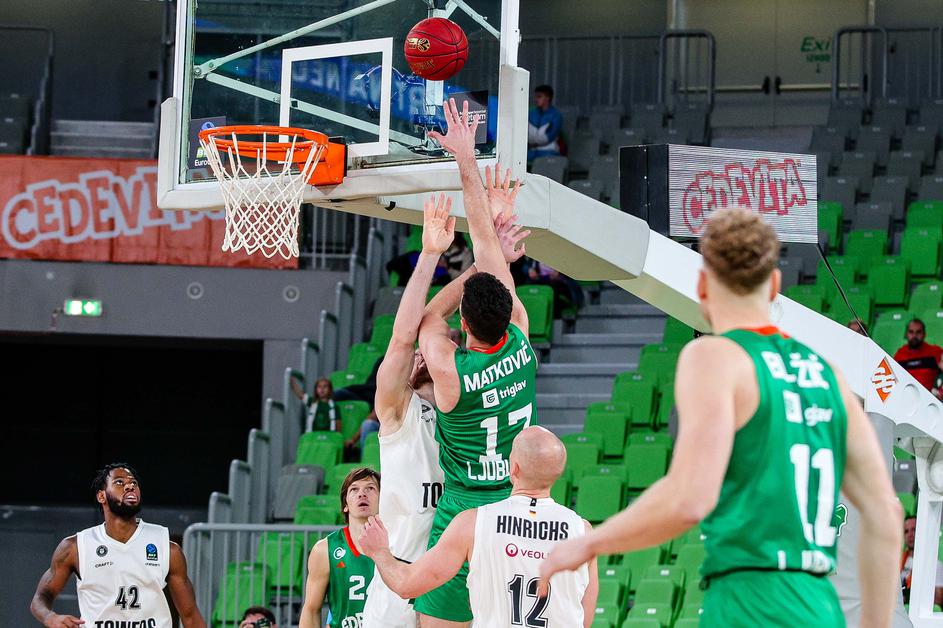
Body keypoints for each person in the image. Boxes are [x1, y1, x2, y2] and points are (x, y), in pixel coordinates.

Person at [539, 208, 903, 628]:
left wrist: (588, 545)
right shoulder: (830, 377)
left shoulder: (714, 356)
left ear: (701, 284)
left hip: (749, 602)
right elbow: (884, 513)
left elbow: (689, 498)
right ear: (775, 286)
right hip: (819, 605)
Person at [414, 98, 536, 627]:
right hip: (515, 512)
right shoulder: (523, 340)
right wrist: (477, 174)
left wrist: (461, 274)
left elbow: (422, 322)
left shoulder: (448, 368)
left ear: (464, 322)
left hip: (463, 510)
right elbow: (487, 246)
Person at [359, 427, 598, 628]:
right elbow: (583, 620)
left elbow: (406, 585)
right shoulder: (583, 533)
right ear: (558, 473)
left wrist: (379, 552)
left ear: (513, 468)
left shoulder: (474, 522)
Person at [30, 463, 206, 628]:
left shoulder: (167, 548)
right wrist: (50, 617)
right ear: (101, 496)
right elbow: (41, 597)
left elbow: (190, 616)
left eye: (133, 483)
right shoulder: (75, 547)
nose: (129, 486)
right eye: (119, 482)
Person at [299, 467, 380, 628]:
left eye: (370, 488)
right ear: (345, 505)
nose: (362, 494)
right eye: (354, 489)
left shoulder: (398, 543)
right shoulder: (324, 549)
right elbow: (310, 609)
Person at [893, 318, 943, 397]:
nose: (914, 336)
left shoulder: (935, 352)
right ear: (906, 334)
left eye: (918, 332)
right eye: (911, 332)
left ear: (924, 334)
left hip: (930, 401)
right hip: (906, 398)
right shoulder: (900, 354)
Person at [901, 514, 943, 607]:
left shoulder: (935, 565)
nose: (910, 535)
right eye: (906, 531)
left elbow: (938, 602)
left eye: (914, 529)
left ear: (922, 531)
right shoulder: (897, 564)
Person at [527, 85, 562, 162]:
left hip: (549, 151)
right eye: (535, 97)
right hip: (531, 152)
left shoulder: (556, 115)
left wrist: (534, 142)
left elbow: (550, 136)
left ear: (547, 97)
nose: (536, 99)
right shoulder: (531, 113)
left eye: (539, 97)